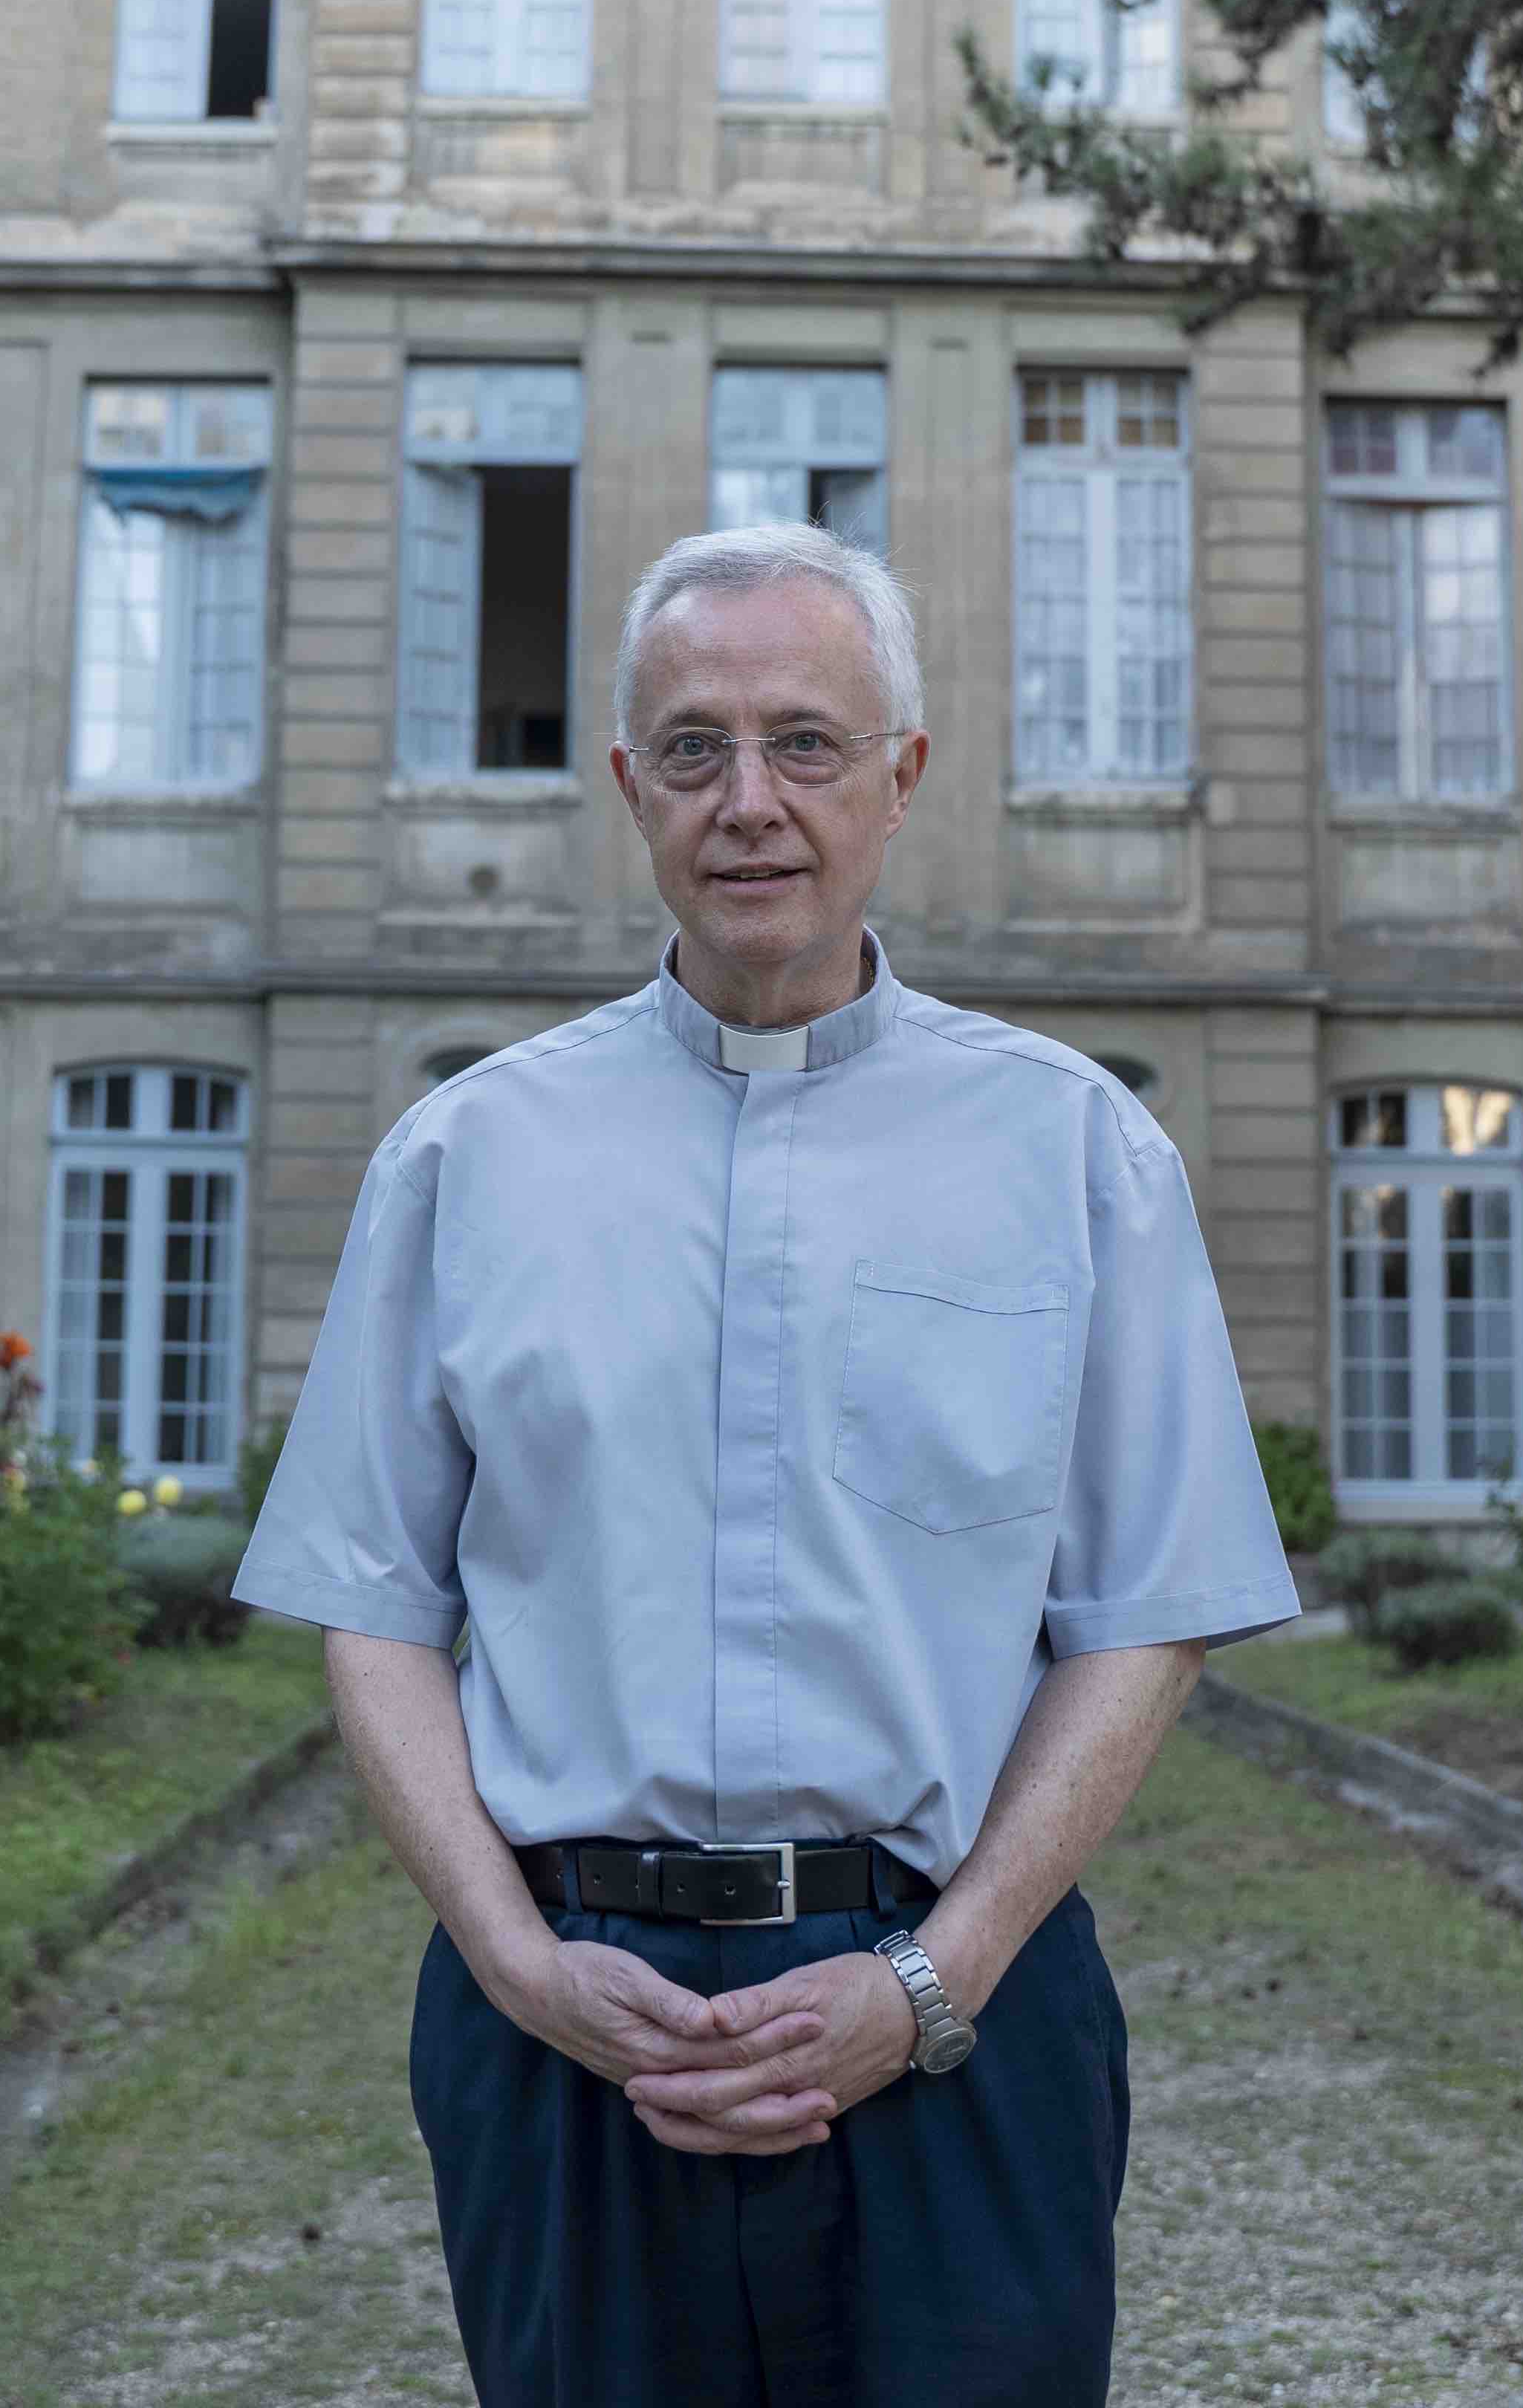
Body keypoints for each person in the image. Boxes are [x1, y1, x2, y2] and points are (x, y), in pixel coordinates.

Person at [233, 519, 1296, 2408]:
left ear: (902, 773)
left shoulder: (1077, 1152)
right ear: (627, 784)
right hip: (571, 2026)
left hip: (957, 2018)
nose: (751, 801)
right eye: (696, 747)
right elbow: (373, 1605)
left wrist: (933, 1980)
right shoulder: (468, 1156)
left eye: (806, 741)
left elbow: (1146, 1617)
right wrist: (515, 1961)